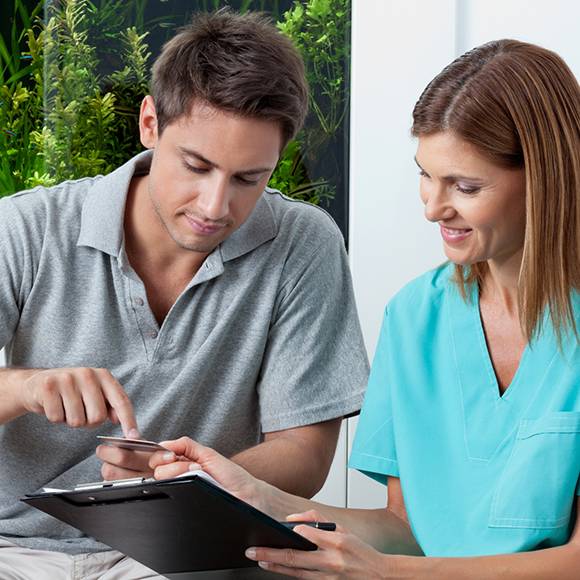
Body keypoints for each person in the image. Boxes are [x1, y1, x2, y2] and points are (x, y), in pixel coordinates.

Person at [151, 39, 580, 578]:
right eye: (425, 174)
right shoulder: (415, 317)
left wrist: (387, 574)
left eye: (465, 186)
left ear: (545, 177)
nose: (432, 207)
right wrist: (252, 494)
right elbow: (405, 530)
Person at [0, 8, 369, 579]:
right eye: (196, 166)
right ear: (150, 124)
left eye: (250, 178)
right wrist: (24, 387)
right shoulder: (25, 228)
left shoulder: (304, 243)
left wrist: (197, 477)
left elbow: (305, 450)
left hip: (185, 553)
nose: (215, 206)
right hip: (14, 546)